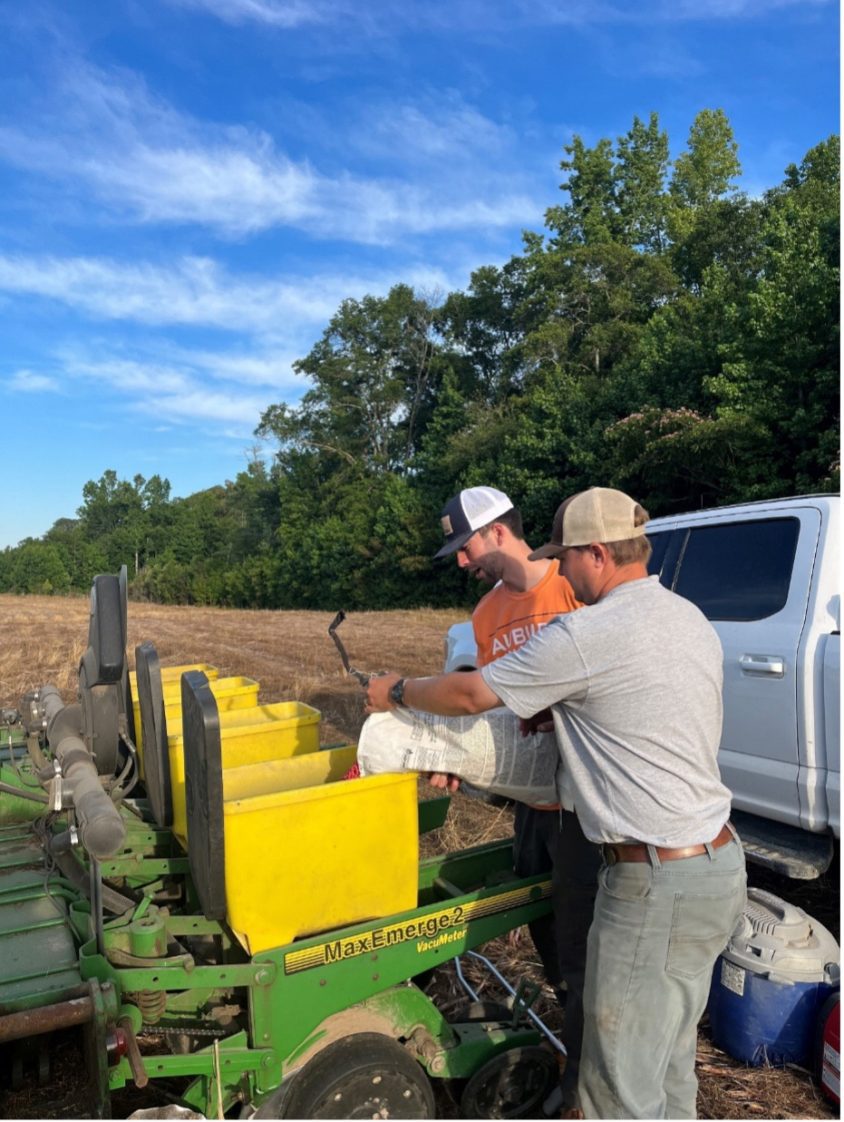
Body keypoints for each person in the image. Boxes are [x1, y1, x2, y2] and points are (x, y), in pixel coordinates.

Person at [367, 487, 747, 1120]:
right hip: (715, 868)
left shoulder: (587, 631)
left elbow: (469, 698)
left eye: (568, 559)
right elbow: (640, 710)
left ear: (596, 553)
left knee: (615, 1090)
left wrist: (397, 689)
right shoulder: (687, 617)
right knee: (668, 1064)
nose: (564, 572)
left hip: (652, 884)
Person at [432, 485, 601, 1110]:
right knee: (546, 926)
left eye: (466, 544)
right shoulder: (485, 617)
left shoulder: (574, 588)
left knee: (585, 945)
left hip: (585, 804)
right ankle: (568, 1027)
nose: (461, 559)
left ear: (500, 532)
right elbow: (479, 706)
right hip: (532, 802)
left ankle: (582, 1085)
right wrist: (455, 759)